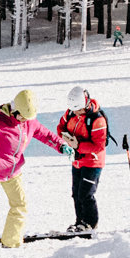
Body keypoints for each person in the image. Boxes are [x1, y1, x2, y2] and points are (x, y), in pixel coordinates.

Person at [0, 89, 64, 248]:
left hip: (13, 172)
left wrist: (61, 146)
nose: (24, 121)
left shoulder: (29, 122)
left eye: (27, 118)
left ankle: (11, 243)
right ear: (14, 110)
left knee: (20, 205)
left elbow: (45, 135)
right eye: (22, 117)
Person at [54, 86, 109, 233]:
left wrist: (78, 145)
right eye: (75, 110)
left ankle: (90, 223)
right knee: (76, 193)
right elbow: (60, 127)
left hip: (93, 161)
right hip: (77, 161)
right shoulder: (71, 113)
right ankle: (80, 221)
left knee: (86, 194)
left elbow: (99, 146)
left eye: (80, 110)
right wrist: (65, 136)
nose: (77, 113)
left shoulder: (97, 120)